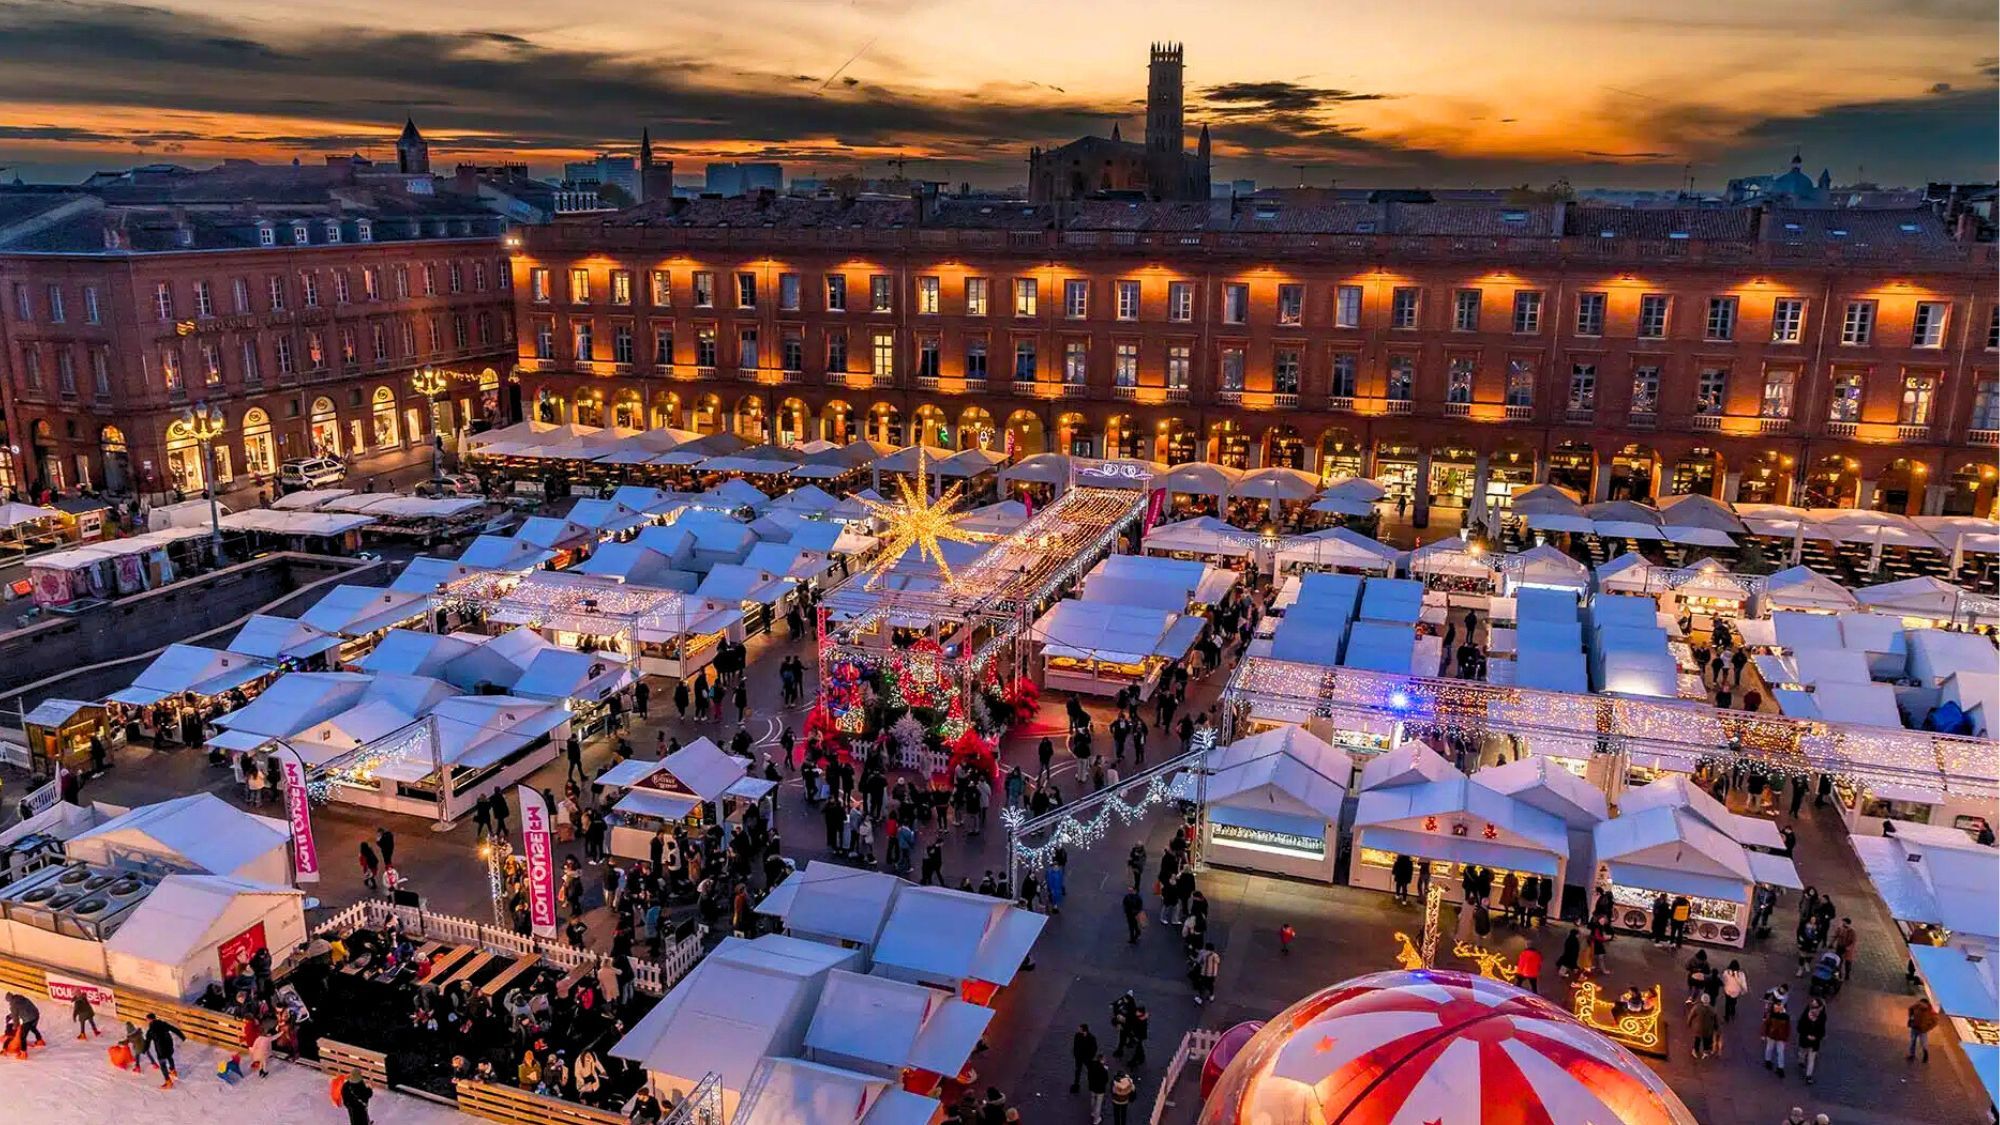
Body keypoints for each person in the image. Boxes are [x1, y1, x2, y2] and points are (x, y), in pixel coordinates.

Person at [145, 1013, 185, 1089]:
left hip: (161, 1050)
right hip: (169, 1045)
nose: (146, 1021)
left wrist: (144, 1049)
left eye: (146, 1019)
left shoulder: (150, 1031)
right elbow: (174, 1029)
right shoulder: (163, 1024)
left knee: (163, 1065)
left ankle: (168, 1082)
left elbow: (147, 1042)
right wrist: (182, 1036)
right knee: (170, 1057)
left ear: (150, 1019)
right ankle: (173, 1071)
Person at [1796, 996, 1828, 1083]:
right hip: (1805, 1039)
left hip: (1814, 1042)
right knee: (1802, 1051)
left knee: (1811, 1058)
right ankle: (1801, 1060)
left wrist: (1817, 1037)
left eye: (1817, 1007)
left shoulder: (1822, 1016)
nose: (1816, 1009)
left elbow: (1822, 1029)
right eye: (1814, 1007)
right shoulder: (1806, 1014)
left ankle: (1808, 1076)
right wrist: (1807, 1035)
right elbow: (1800, 1027)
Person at [1762, 997, 1791, 1077]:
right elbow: (1766, 1025)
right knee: (1772, 1049)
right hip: (1773, 1035)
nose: (1777, 1008)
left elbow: (1787, 1028)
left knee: (1779, 1051)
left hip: (1779, 1036)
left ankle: (1779, 1067)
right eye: (1775, 1007)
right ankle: (1769, 1062)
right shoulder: (1773, 1016)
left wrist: (1786, 1036)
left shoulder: (1784, 1017)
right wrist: (1764, 1034)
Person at [1687, 992, 1720, 1060]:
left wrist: (1689, 1023)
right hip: (1707, 1029)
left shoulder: (1697, 1007)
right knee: (1706, 1040)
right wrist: (1716, 1027)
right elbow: (1715, 1020)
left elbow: (1691, 1015)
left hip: (1698, 1028)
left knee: (1697, 1040)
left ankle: (1695, 1051)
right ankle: (1705, 1052)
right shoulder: (1712, 1009)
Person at [1906, 996, 1938, 1062]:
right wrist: (1911, 1018)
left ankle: (1925, 1054)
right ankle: (1912, 1055)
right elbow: (1910, 1009)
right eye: (1920, 1004)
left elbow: (1935, 1021)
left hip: (1922, 1030)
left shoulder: (1930, 1011)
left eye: (1922, 1004)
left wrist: (1927, 1028)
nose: (1921, 1006)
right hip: (1915, 1027)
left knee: (1923, 1043)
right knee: (1913, 1041)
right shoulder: (1917, 1007)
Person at [1071, 1023, 1098, 1092]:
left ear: (1084, 1030)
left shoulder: (1091, 1038)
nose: (1078, 1030)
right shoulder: (1077, 1035)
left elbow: (1094, 1048)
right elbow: (1075, 1045)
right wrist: (1075, 1054)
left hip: (1087, 1058)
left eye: (1080, 1029)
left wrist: (1090, 1057)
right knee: (1077, 1071)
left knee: (1090, 1071)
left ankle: (1092, 1084)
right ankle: (1076, 1085)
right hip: (1079, 1057)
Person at [1085, 1053, 1111, 1123]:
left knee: (1093, 1099)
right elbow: (1106, 1080)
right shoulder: (1103, 1070)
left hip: (1092, 1086)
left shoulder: (1091, 1065)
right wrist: (1105, 1070)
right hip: (1100, 1089)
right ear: (1102, 1060)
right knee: (1098, 1104)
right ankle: (1096, 1120)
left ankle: (1093, 1112)